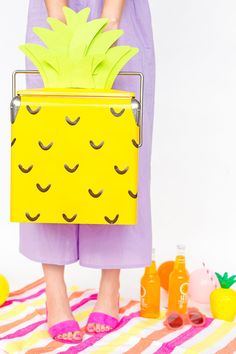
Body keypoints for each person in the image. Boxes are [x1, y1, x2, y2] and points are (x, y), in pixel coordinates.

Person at [20, 0, 155, 344]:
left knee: (119, 149)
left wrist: (112, 15)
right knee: (46, 149)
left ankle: (109, 290)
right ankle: (55, 294)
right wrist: (55, 12)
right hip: (52, 5)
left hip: (122, 9)